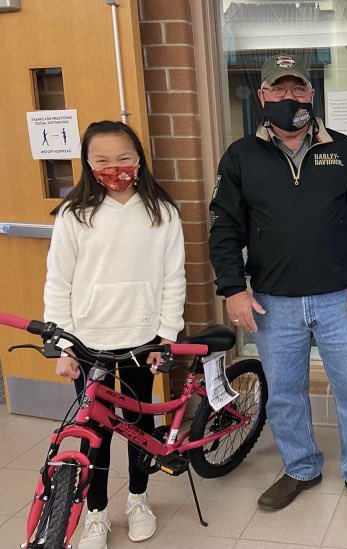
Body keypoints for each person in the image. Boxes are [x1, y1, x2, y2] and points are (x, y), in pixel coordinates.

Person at [209, 54, 347, 514]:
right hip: (273, 303)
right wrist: (234, 288)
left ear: (311, 96)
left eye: (298, 90)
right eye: (279, 90)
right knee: (286, 391)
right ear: (263, 96)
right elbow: (224, 226)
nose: (289, 98)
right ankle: (300, 467)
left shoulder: (346, 151)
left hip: (341, 299)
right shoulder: (241, 156)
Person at [45, 120, 185, 549]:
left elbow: (173, 278)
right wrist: (63, 345)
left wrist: (165, 336)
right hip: (89, 346)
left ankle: (139, 500)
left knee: (141, 426)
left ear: (139, 158)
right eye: (102, 160)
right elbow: (58, 282)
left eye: (123, 158)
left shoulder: (161, 211)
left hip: (143, 342)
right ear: (88, 164)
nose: (114, 168)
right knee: (97, 433)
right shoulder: (75, 214)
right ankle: (96, 512)